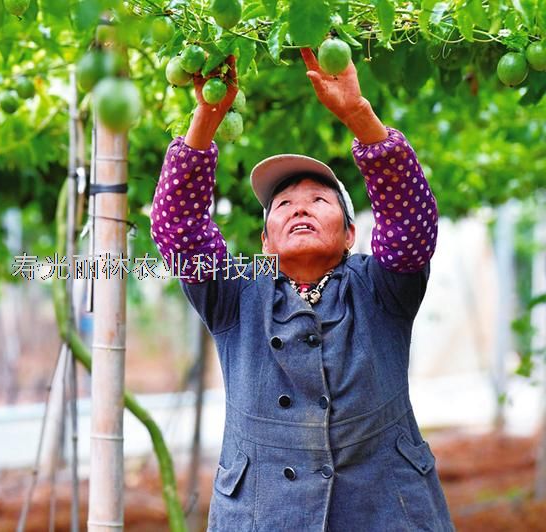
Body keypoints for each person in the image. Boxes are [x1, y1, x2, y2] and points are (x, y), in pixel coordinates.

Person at [150, 51, 454, 531]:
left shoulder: (382, 288)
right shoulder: (235, 296)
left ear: (351, 234)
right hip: (265, 515)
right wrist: (207, 116)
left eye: (319, 200)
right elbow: (179, 227)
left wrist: (358, 114)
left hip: (385, 512)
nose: (299, 209)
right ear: (265, 240)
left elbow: (409, 221)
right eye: (284, 204)